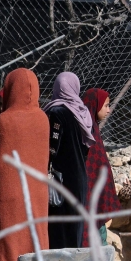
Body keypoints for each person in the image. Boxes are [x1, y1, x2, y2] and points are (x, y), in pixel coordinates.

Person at [0, 68, 51, 261]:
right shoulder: (43, 119)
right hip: (37, 191)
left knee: (8, 237)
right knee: (33, 235)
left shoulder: (4, 121)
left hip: (9, 191)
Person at [43, 72, 92, 249]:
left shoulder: (56, 112)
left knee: (59, 231)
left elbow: (52, 149)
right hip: (79, 179)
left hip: (61, 180)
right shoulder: (83, 114)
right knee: (74, 230)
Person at [80, 88, 120, 246]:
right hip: (89, 201)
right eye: (105, 106)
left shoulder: (93, 128)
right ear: (95, 105)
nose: (109, 110)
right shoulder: (87, 131)